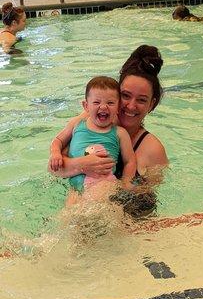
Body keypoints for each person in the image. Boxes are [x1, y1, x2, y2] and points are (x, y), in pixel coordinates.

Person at [48, 45, 168, 182]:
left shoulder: (153, 150)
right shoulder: (90, 121)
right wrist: (82, 165)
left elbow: (152, 194)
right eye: (125, 95)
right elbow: (52, 169)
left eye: (141, 100)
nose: (131, 106)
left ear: (151, 104)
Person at [49, 76, 136, 205]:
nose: (103, 107)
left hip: (104, 184)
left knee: (99, 212)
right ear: (86, 106)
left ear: (118, 108)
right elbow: (58, 140)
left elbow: (130, 161)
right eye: (96, 102)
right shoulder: (77, 124)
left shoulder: (119, 133)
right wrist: (55, 153)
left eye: (110, 103)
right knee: (68, 218)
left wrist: (126, 182)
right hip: (75, 188)